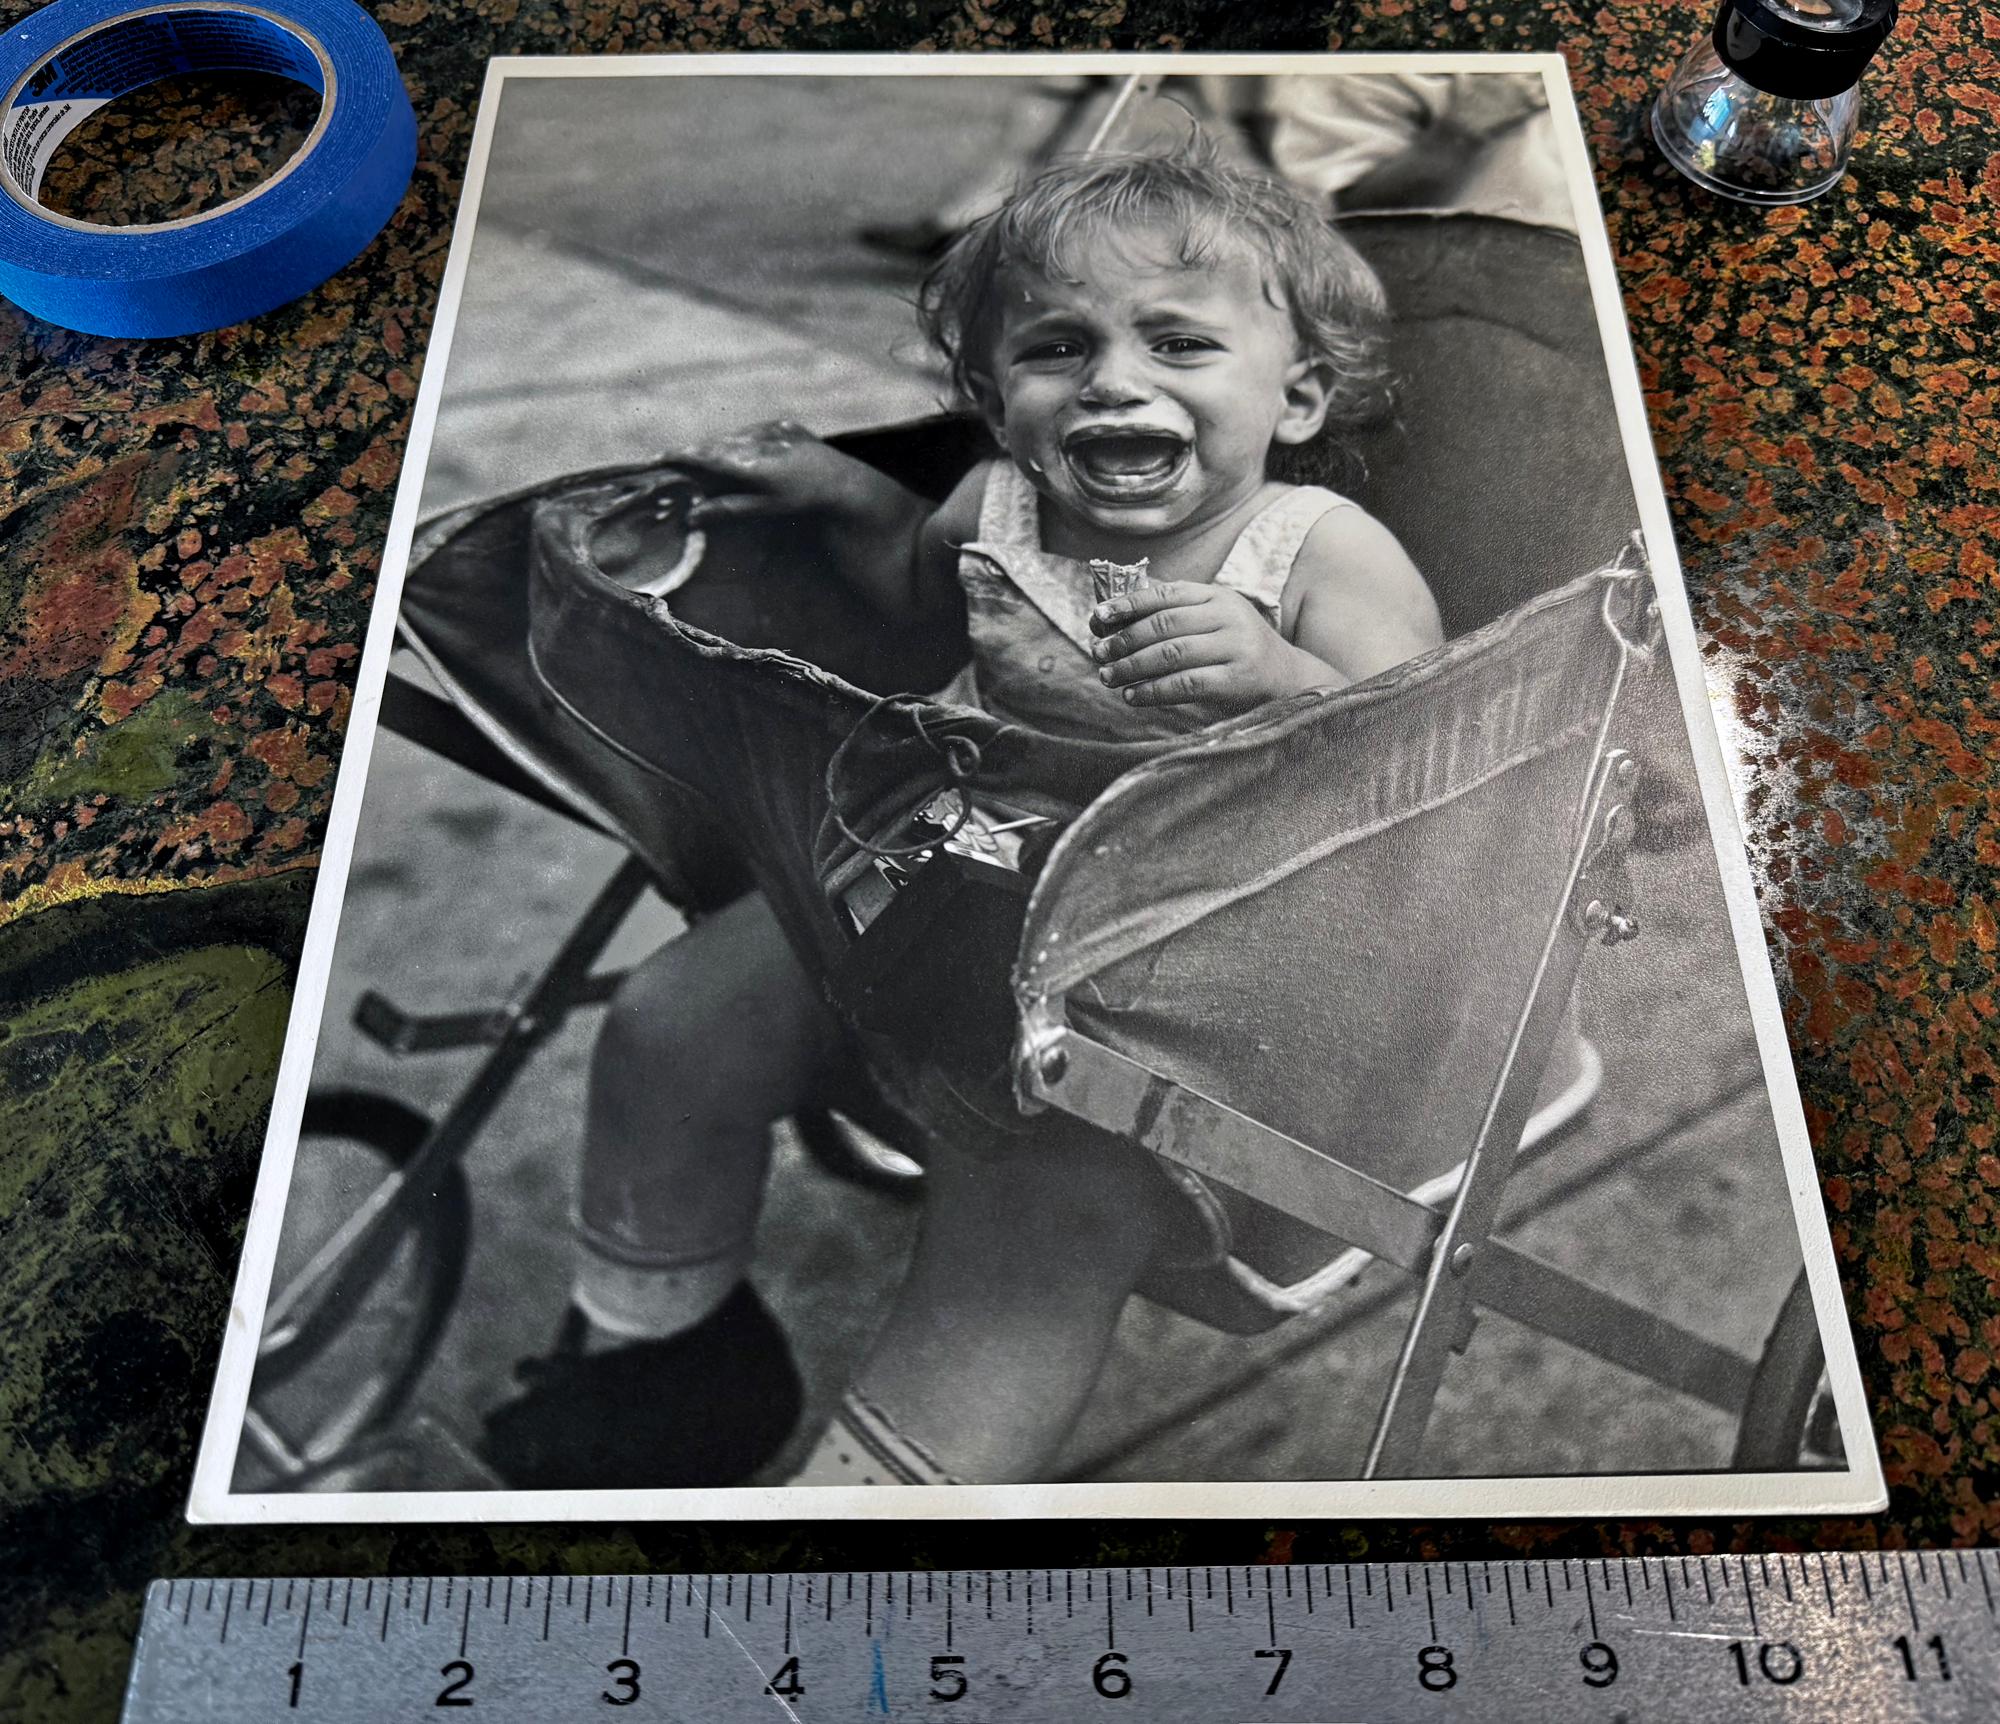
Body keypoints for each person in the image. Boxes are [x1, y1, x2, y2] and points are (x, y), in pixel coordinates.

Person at [481, 135, 1441, 1490]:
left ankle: (866, 1528)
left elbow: (1428, 760)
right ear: (997, 399)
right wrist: (839, 496)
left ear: (1296, 399)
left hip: (1168, 972)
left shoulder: (1314, 551)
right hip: (922, 875)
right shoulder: (1000, 504)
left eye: (1178, 344)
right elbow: (909, 592)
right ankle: (665, 1354)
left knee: (1029, 1233)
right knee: (669, 1024)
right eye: (1058, 348)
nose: (1114, 379)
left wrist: (1284, 681)